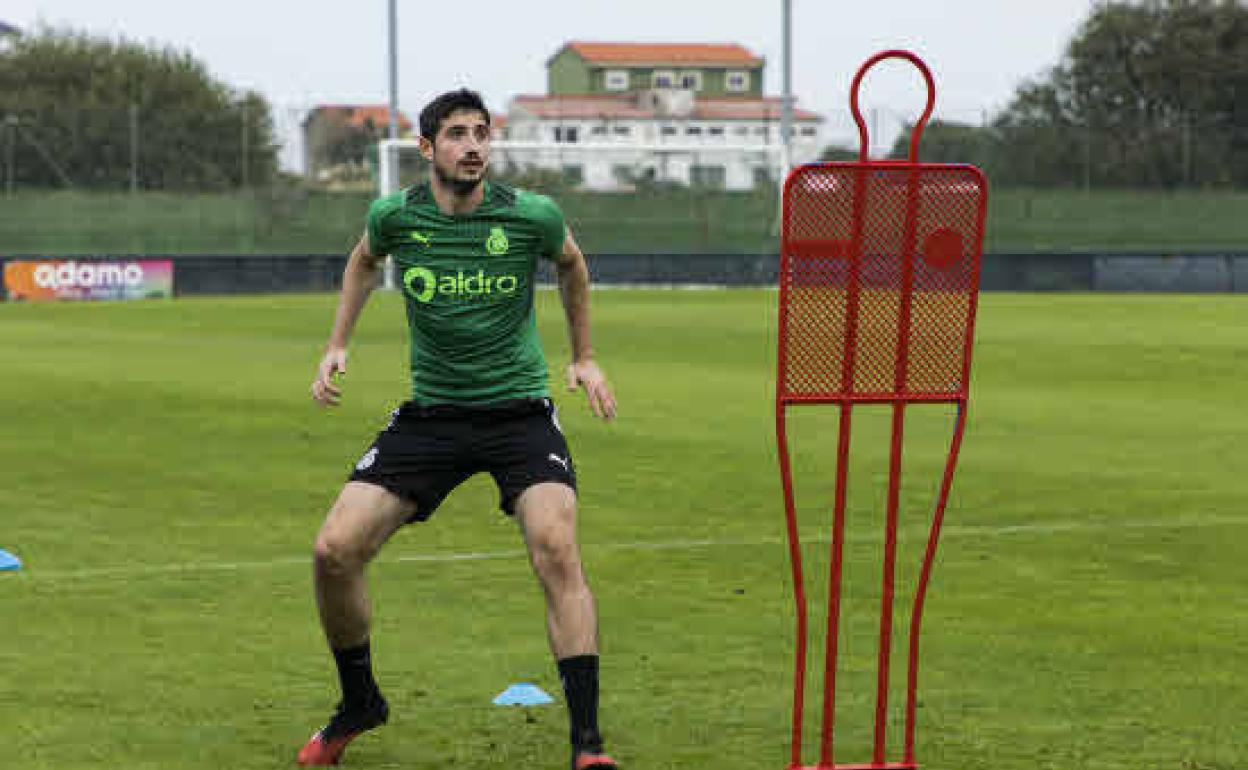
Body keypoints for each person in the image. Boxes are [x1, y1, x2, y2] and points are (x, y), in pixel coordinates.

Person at [298, 88, 619, 770]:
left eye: (481, 133)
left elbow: (572, 264)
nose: (472, 145)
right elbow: (362, 260)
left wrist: (584, 357)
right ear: (427, 148)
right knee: (333, 551)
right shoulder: (394, 217)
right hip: (433, 417)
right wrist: (337, 343)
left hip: (520, 416)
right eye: (456, 135)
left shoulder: (530, 215)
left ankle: (588, 745)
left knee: (557, 547)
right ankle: (360, 703)